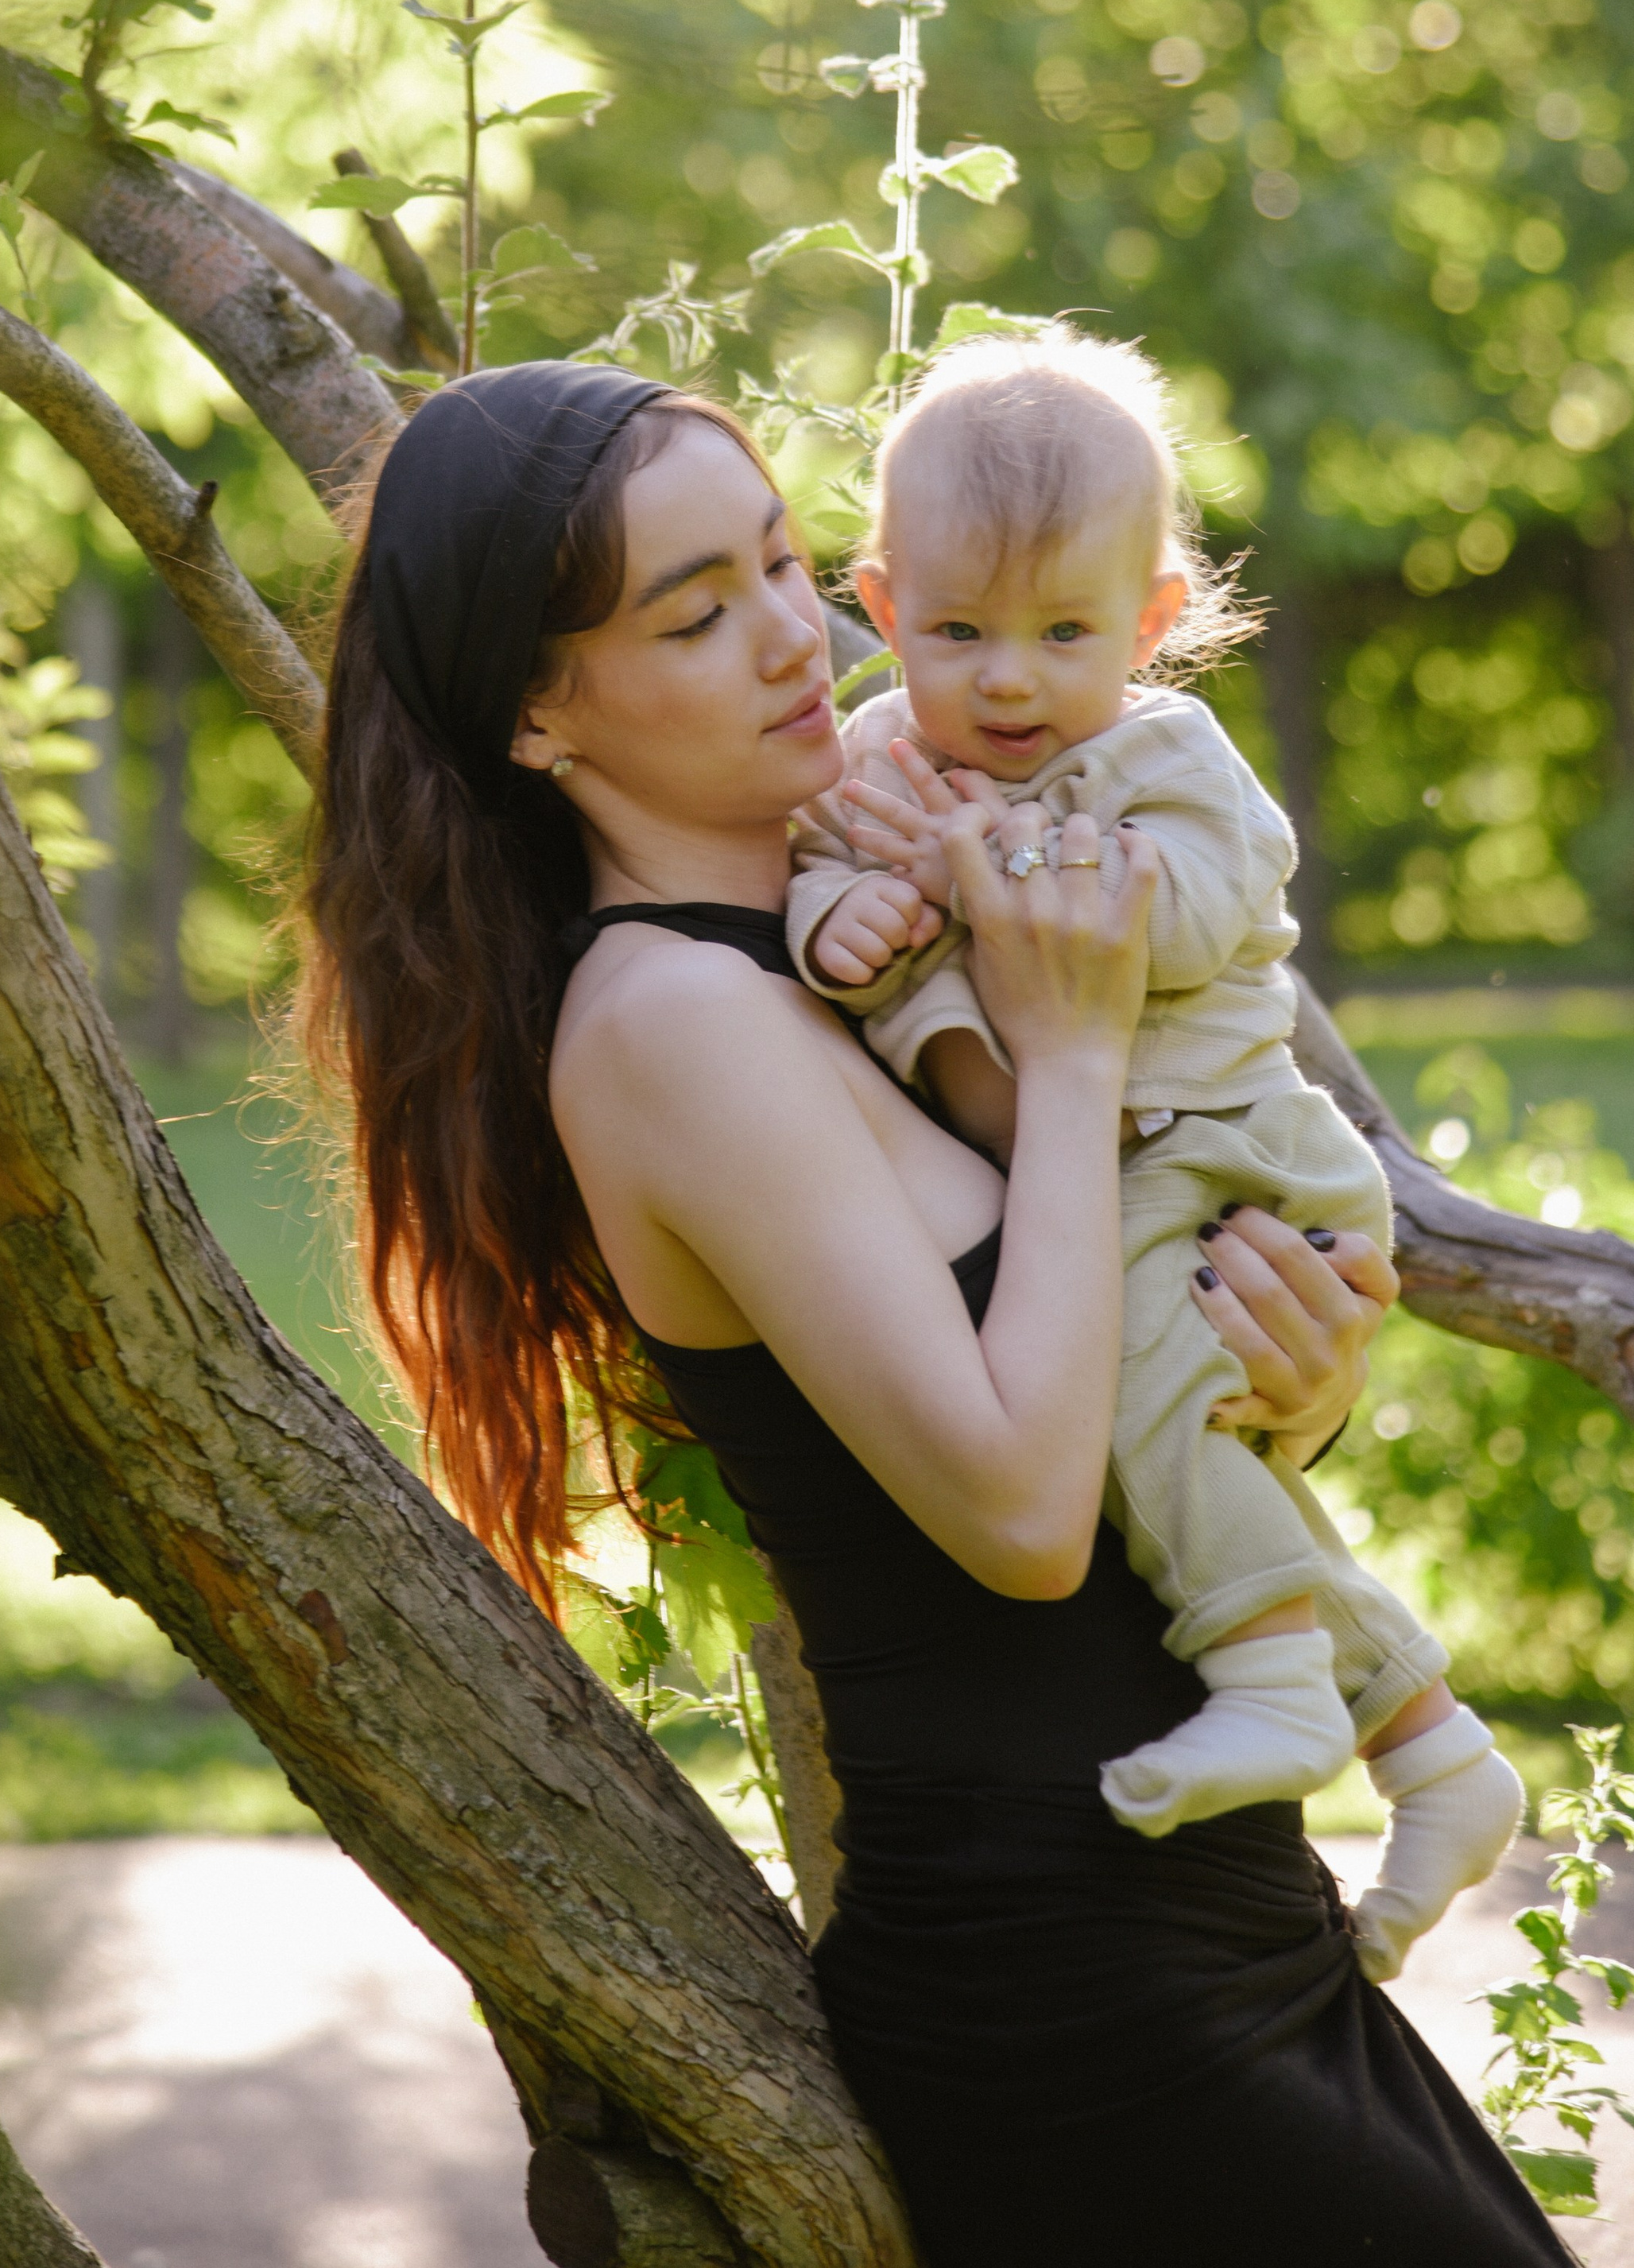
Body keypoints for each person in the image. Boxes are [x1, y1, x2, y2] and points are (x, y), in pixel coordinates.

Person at [299, 357, 1570, 2265]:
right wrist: (1065, 1056)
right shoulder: (669, 1024)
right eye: (693, 610)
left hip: (1210, 1933)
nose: (789, 636)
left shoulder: (844, 944)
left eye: (783, 565)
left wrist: (1282, 1369)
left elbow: (1080, 1350)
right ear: (540, 711)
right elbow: (1014, 1510)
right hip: (1074, 2001)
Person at [785, 324, 1522, 1978]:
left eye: (1064, 632)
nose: (1009, 680)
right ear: (884, 603)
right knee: (1166, 1450)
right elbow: (816, 895)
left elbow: (1192, 913)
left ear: (1152, 619)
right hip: (1121, 1158)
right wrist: (849, 917)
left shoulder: (1163, 758)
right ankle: (1431, 1746)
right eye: (959, 629)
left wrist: (986, 869)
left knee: (1122, 1394)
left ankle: (1269, 1688)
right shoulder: (864, 762)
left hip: (1232, 1150)